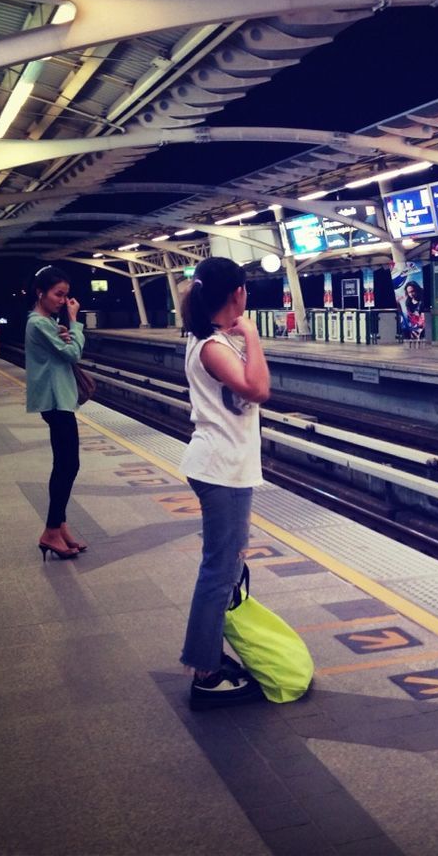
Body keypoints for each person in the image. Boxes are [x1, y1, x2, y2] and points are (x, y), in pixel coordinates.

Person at [177, 257, 270, 709]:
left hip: (226, 467)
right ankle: (205, 673)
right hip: (221, 470)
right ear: (237, 294)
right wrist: (251, 335)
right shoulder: (213, 346)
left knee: (226, 568)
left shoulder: (212, 341)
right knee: (218, 572)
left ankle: (209, 659)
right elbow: (257, 389)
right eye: (245, 290)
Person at [25, 266, 87, 560]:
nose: (63, 300)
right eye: (57, 294)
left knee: (65, 464)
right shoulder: (38, 323)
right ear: (41, 293)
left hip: (58, 399)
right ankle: (51, 531)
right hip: (54, 400)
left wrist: (62, 330)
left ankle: (59, 526)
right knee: (68, 465)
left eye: (65, 295)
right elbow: (73, 354)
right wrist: (74, 323)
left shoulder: (45, 322)